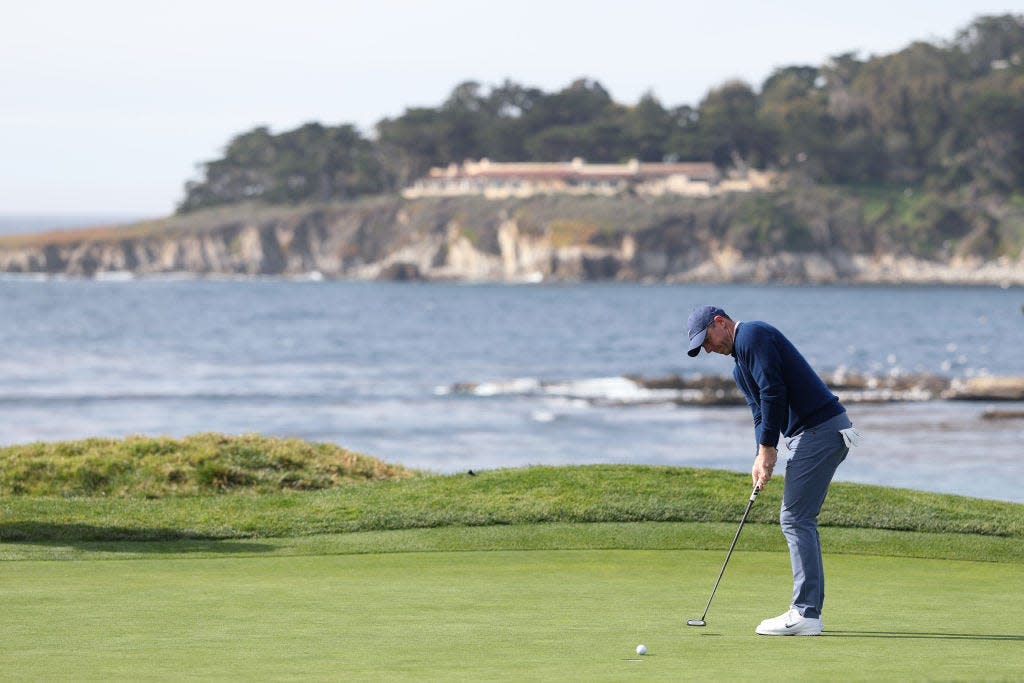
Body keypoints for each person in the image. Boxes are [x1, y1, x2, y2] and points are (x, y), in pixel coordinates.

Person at [685, 304, 860, 636]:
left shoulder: (753, 335)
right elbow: (761, 413)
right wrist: (760, 456)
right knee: (799, 518)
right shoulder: (740, 367)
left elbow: (773, 391)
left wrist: (769, 447)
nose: (708, 349)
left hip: (820, 430)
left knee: (795, 518)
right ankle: (810, 611)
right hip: (811, 433)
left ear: (719, 323)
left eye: (706, 340)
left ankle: (806, 612)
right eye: (702, 348)